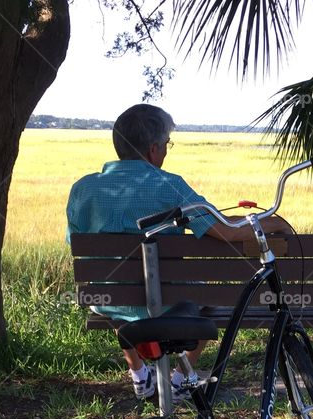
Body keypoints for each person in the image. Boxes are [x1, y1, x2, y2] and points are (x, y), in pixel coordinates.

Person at [66, 104, 291, 400]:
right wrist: (273, 222)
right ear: (154, 149)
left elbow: (75, 244)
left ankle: (140, 377)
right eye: (166, 145)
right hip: (168, 300)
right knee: (206, 299)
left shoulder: (82, 189)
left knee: (126, 298)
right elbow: (225, 230)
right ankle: (180, 378)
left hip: (108, 299)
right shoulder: (170, 186)